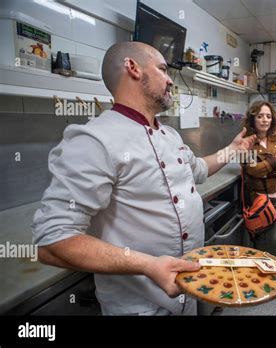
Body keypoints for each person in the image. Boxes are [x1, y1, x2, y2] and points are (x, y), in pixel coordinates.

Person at [31, 42, 256, 316]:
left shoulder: (169, 135)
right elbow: (52, 240)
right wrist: (148, 265)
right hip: (139, 308)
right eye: (163, 69)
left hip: (188, 293)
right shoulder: (95, 139)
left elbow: (197, 170)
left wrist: (232, 150)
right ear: (133, 68)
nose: (171, 79)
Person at [242, 100, 276, 297]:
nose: (264, 120)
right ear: (253, 118)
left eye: (268, 116)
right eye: (259, 116)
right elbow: (251, 169)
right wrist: (275, 162)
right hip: (258, 199)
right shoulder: (247, 142)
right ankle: (263, 275)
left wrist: (266, 167)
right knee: (262, 239)